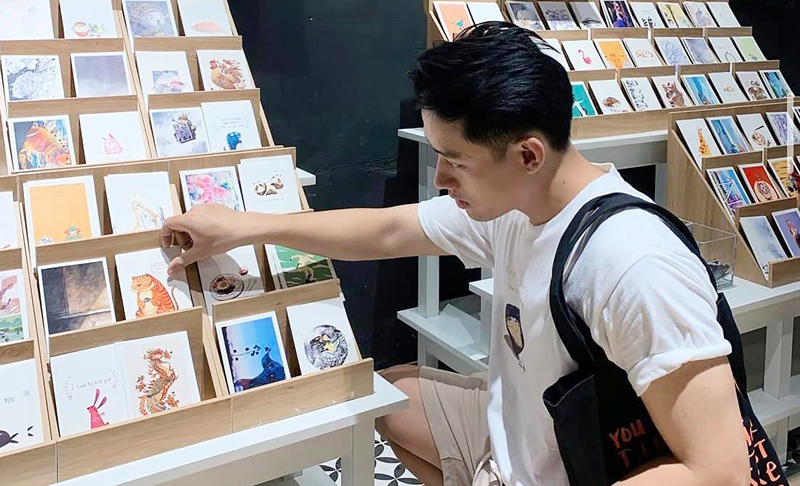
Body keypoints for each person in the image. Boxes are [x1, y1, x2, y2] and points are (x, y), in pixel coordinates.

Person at [161, 23, 749, 486]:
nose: (440, 178)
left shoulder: (631, 264)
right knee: (391, 396)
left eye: (455, 160)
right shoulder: (517, 203)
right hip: (524, 440)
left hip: (582, 466)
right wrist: (242, 228)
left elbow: (720, 472)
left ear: (527, 155)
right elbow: (388, 231)